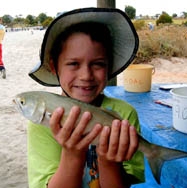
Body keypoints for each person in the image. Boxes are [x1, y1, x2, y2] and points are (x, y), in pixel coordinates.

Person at [28, 7, 144, 188]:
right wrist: (73, 154)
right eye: (73, 63)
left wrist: (108, 160)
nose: (86, 75)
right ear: (54, 67)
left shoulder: (124, 116)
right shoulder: (43, 121)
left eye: (97, 64)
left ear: (109, 66)